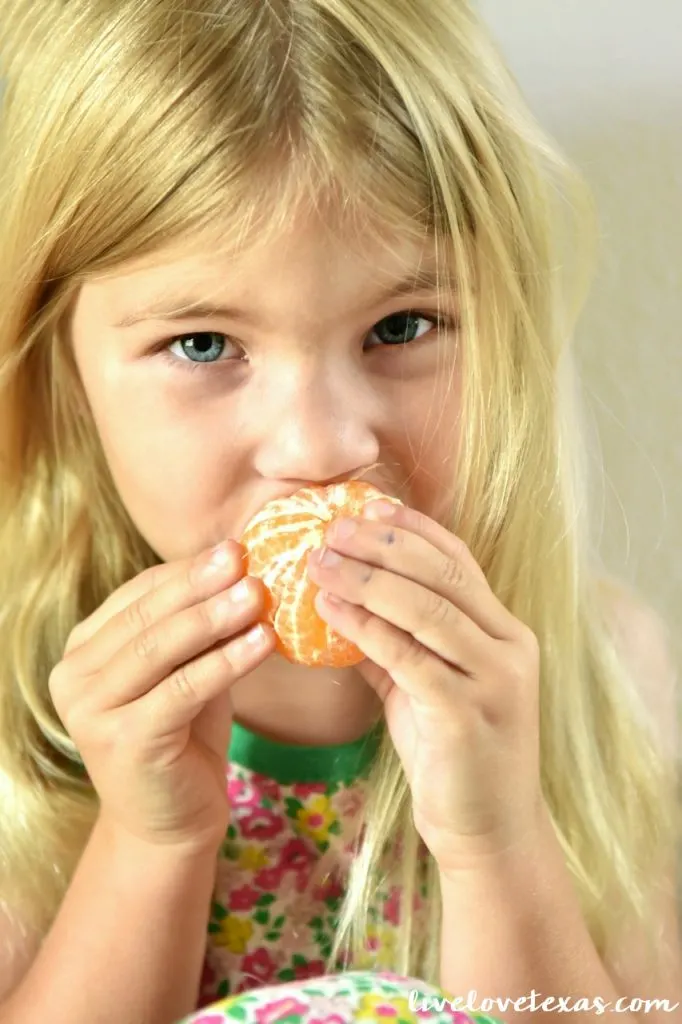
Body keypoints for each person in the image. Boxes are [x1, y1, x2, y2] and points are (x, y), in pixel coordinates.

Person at [0, 0, 679, 1021]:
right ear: (63, 366)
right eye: (203, 345)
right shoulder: (19, 730)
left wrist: (497, 838)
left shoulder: (600, 673)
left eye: (402, 326)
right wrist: (149, 842)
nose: (321, 447)